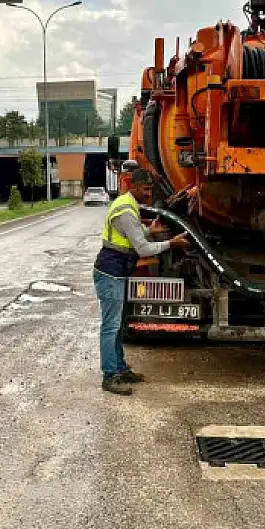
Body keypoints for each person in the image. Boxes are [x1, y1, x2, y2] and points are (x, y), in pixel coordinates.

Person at [93, 168, 190, 395]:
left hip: (117, 272)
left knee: (117, 326)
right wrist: (171, 244)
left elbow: (131, 232)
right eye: (145, 189)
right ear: (132, 187)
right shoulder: (126, 209)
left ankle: (120, 368)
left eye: (150, 189)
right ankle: (110, 376)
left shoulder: (128, 204)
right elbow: (143, 248)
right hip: (110, 273)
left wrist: (149, 229)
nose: (148, 194)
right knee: (111, 327)